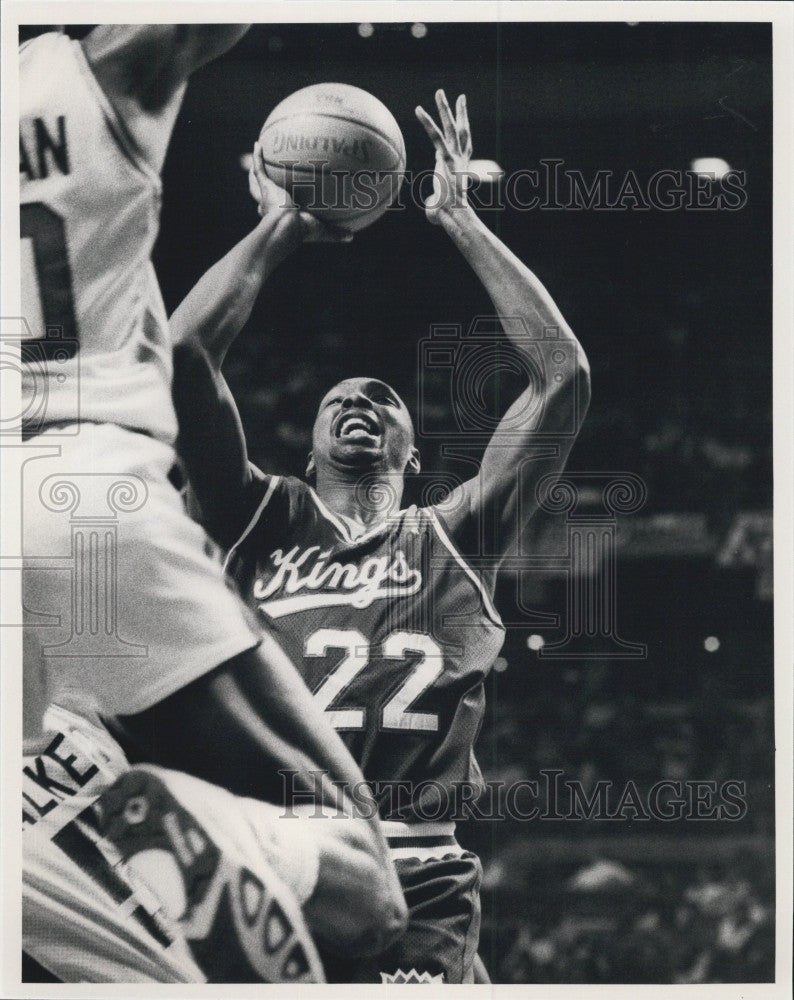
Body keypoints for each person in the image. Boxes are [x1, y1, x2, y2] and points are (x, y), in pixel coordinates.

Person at [171, 89, 591, 983]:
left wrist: (458, 217)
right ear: (309, 442)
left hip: (418, 860)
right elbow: (181, 358)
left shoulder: (457, 532)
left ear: (414, 448)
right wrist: (281, 226)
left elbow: (562, 378)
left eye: (382, 399)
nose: (359, 403)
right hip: (276, 850)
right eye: (339, 399)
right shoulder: (259, 515)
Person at [19, 25, 406, 983]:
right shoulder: (64, 81)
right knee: (365, 885)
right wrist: (284, 216)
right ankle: (200, 828)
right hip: (83, 498)